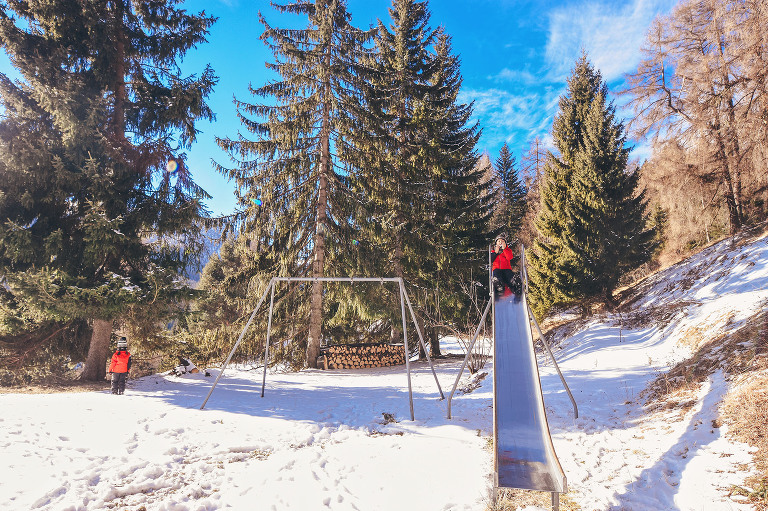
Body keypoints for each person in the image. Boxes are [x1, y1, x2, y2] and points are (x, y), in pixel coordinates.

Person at [491, 234, 522, 299]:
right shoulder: (493, 252)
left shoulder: (507, 250)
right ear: (496, 243)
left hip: (506, 268)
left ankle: (516, 286)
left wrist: (504, 249)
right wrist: (495, 253)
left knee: (510, 276)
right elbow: (490, 260)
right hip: (496, 269)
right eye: (499, 241)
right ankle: (499, 287)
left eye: (502, 241)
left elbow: (509, 257)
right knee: (497, 275)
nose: (500, 242)